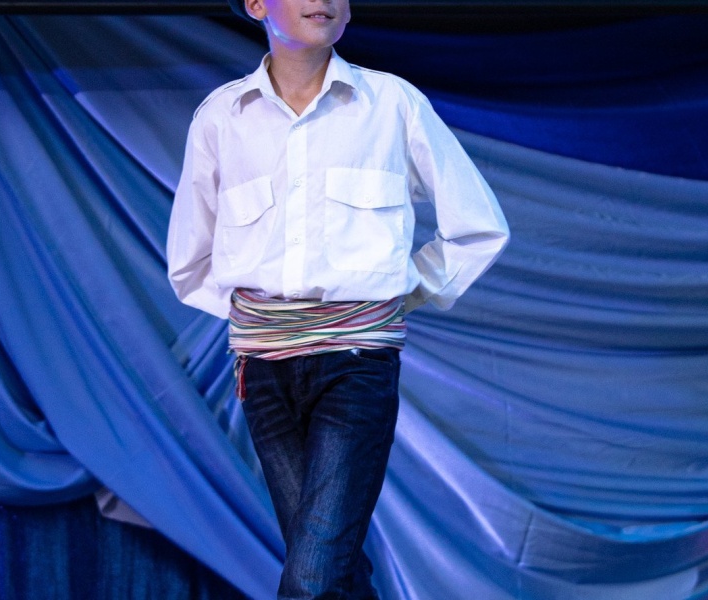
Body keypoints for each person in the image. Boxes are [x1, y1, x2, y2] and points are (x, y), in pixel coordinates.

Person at [166, 0, 510, 597]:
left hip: (356, 364)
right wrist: (271, 319)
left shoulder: (392, 104)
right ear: (256, 4)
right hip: (265, 371)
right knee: (336, 570)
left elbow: (477, 227)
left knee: (311, 579)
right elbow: (189, 260)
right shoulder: (222, 117)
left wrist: (397, 293)